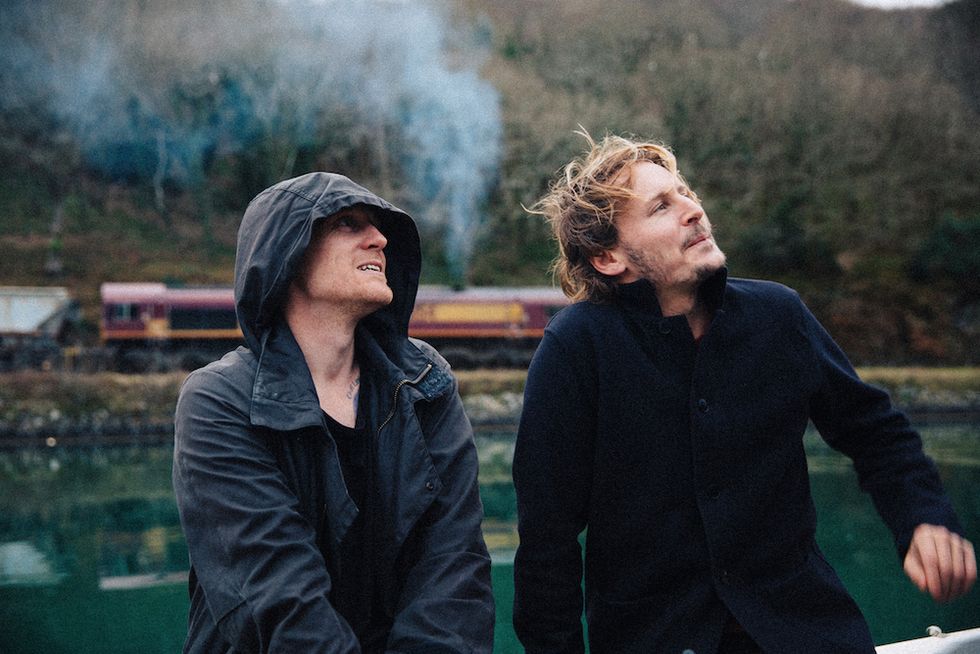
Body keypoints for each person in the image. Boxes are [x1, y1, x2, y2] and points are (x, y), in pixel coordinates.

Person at [512, 133, 976, 654]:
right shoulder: (576, 347)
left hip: (807, 635)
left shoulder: (777, 315)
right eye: (661, 206)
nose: (693, 209)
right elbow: (547, 543)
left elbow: (876, 433)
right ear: (608, 257)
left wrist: (923, 518)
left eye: (686, 192)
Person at [172, 172, 494, 653]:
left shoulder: (427, 384)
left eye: (378, 227)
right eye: (348, 223)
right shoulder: (218, 401)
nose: (380, 239)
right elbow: (278, 600)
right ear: (286, 255)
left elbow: (453, 569)